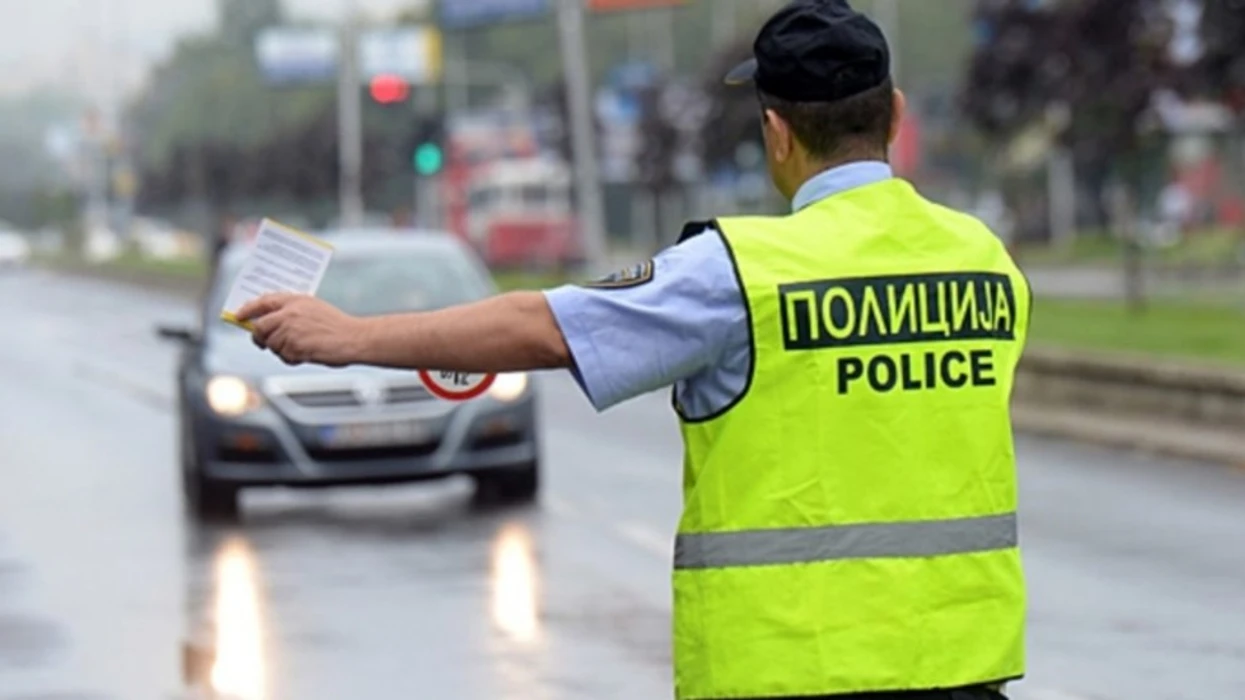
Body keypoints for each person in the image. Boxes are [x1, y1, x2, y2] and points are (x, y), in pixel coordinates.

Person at [236, 1, 1032, 698]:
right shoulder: (985, 262)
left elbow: (544, 326)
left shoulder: (739, 275)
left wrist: (351, 337)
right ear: (893, 116)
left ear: (776, 132)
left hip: (794, 668)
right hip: (961, 665)